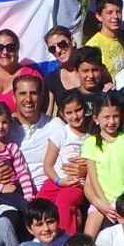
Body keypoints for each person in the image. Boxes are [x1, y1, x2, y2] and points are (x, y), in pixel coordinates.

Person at [80, 92, 124, 235]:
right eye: (106, 117)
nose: (111, 122)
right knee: (88, 240)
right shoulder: (90, 143)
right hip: (101, 201)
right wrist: (103, 204)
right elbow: (92, 178)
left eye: (115, 116)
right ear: (96, 119)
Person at [38, 88, 92, 233]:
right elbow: (48, 165)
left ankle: (67, 240)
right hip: (57, 180)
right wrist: (58, 181)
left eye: (78, 110)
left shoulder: (92, 135)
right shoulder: (61, 133)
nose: (75, 116)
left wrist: (86, 168)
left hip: (77, 183)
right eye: (69, 113)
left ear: (85, 108)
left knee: (64, 202)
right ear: (62, 114)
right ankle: (40, 238)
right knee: (39, 203)